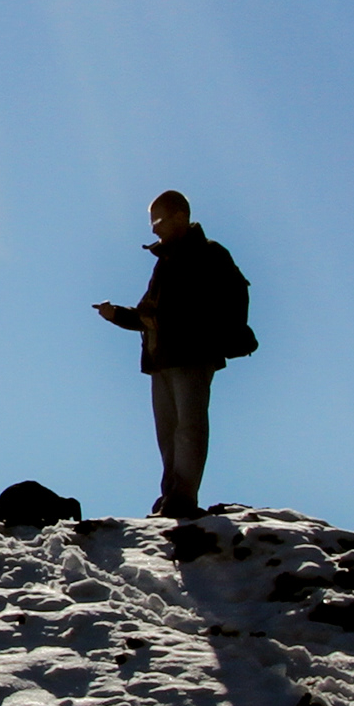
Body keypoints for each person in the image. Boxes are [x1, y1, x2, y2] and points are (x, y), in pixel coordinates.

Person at [93, 190, 255, 518]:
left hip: (192, 355)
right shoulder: (165, 262)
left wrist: (213, 336)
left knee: (189, 427)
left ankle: (182, 498)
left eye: (158, 220)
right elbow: (149, 314)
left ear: (180, 216)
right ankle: (171, 496)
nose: (154, 228)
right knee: (168, 432)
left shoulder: (209, 253)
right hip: (161, 359)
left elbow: (234, 299)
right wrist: (116, 315)